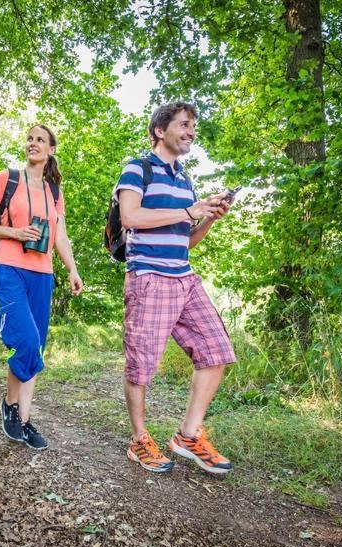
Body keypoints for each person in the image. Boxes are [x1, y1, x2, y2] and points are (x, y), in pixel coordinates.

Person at [115, 102, 236, 474]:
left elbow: (186, 241)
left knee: (216, 352)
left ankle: (187, 435)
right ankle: (139, 440)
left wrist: (209, 218)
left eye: (194, 126)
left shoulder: (184, 179)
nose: (191, 132)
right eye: (184, 124)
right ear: (159, 130)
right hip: (149, 278)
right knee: (141, 366)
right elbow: (130, 217)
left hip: (184, 277)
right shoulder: (138, 168)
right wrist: (189, 212)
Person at [0, 125, 83, 450]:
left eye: (40, 139)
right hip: (9, 268)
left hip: (42, 275)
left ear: (51, 149)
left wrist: (72, 270)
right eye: (30, 138)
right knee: (25, 340)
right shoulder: (6, 178)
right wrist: (15, 233)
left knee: (35, 347)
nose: (33, 143)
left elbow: (60, 236)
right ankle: (9, 404)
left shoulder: (54, 191)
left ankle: (23, 420)